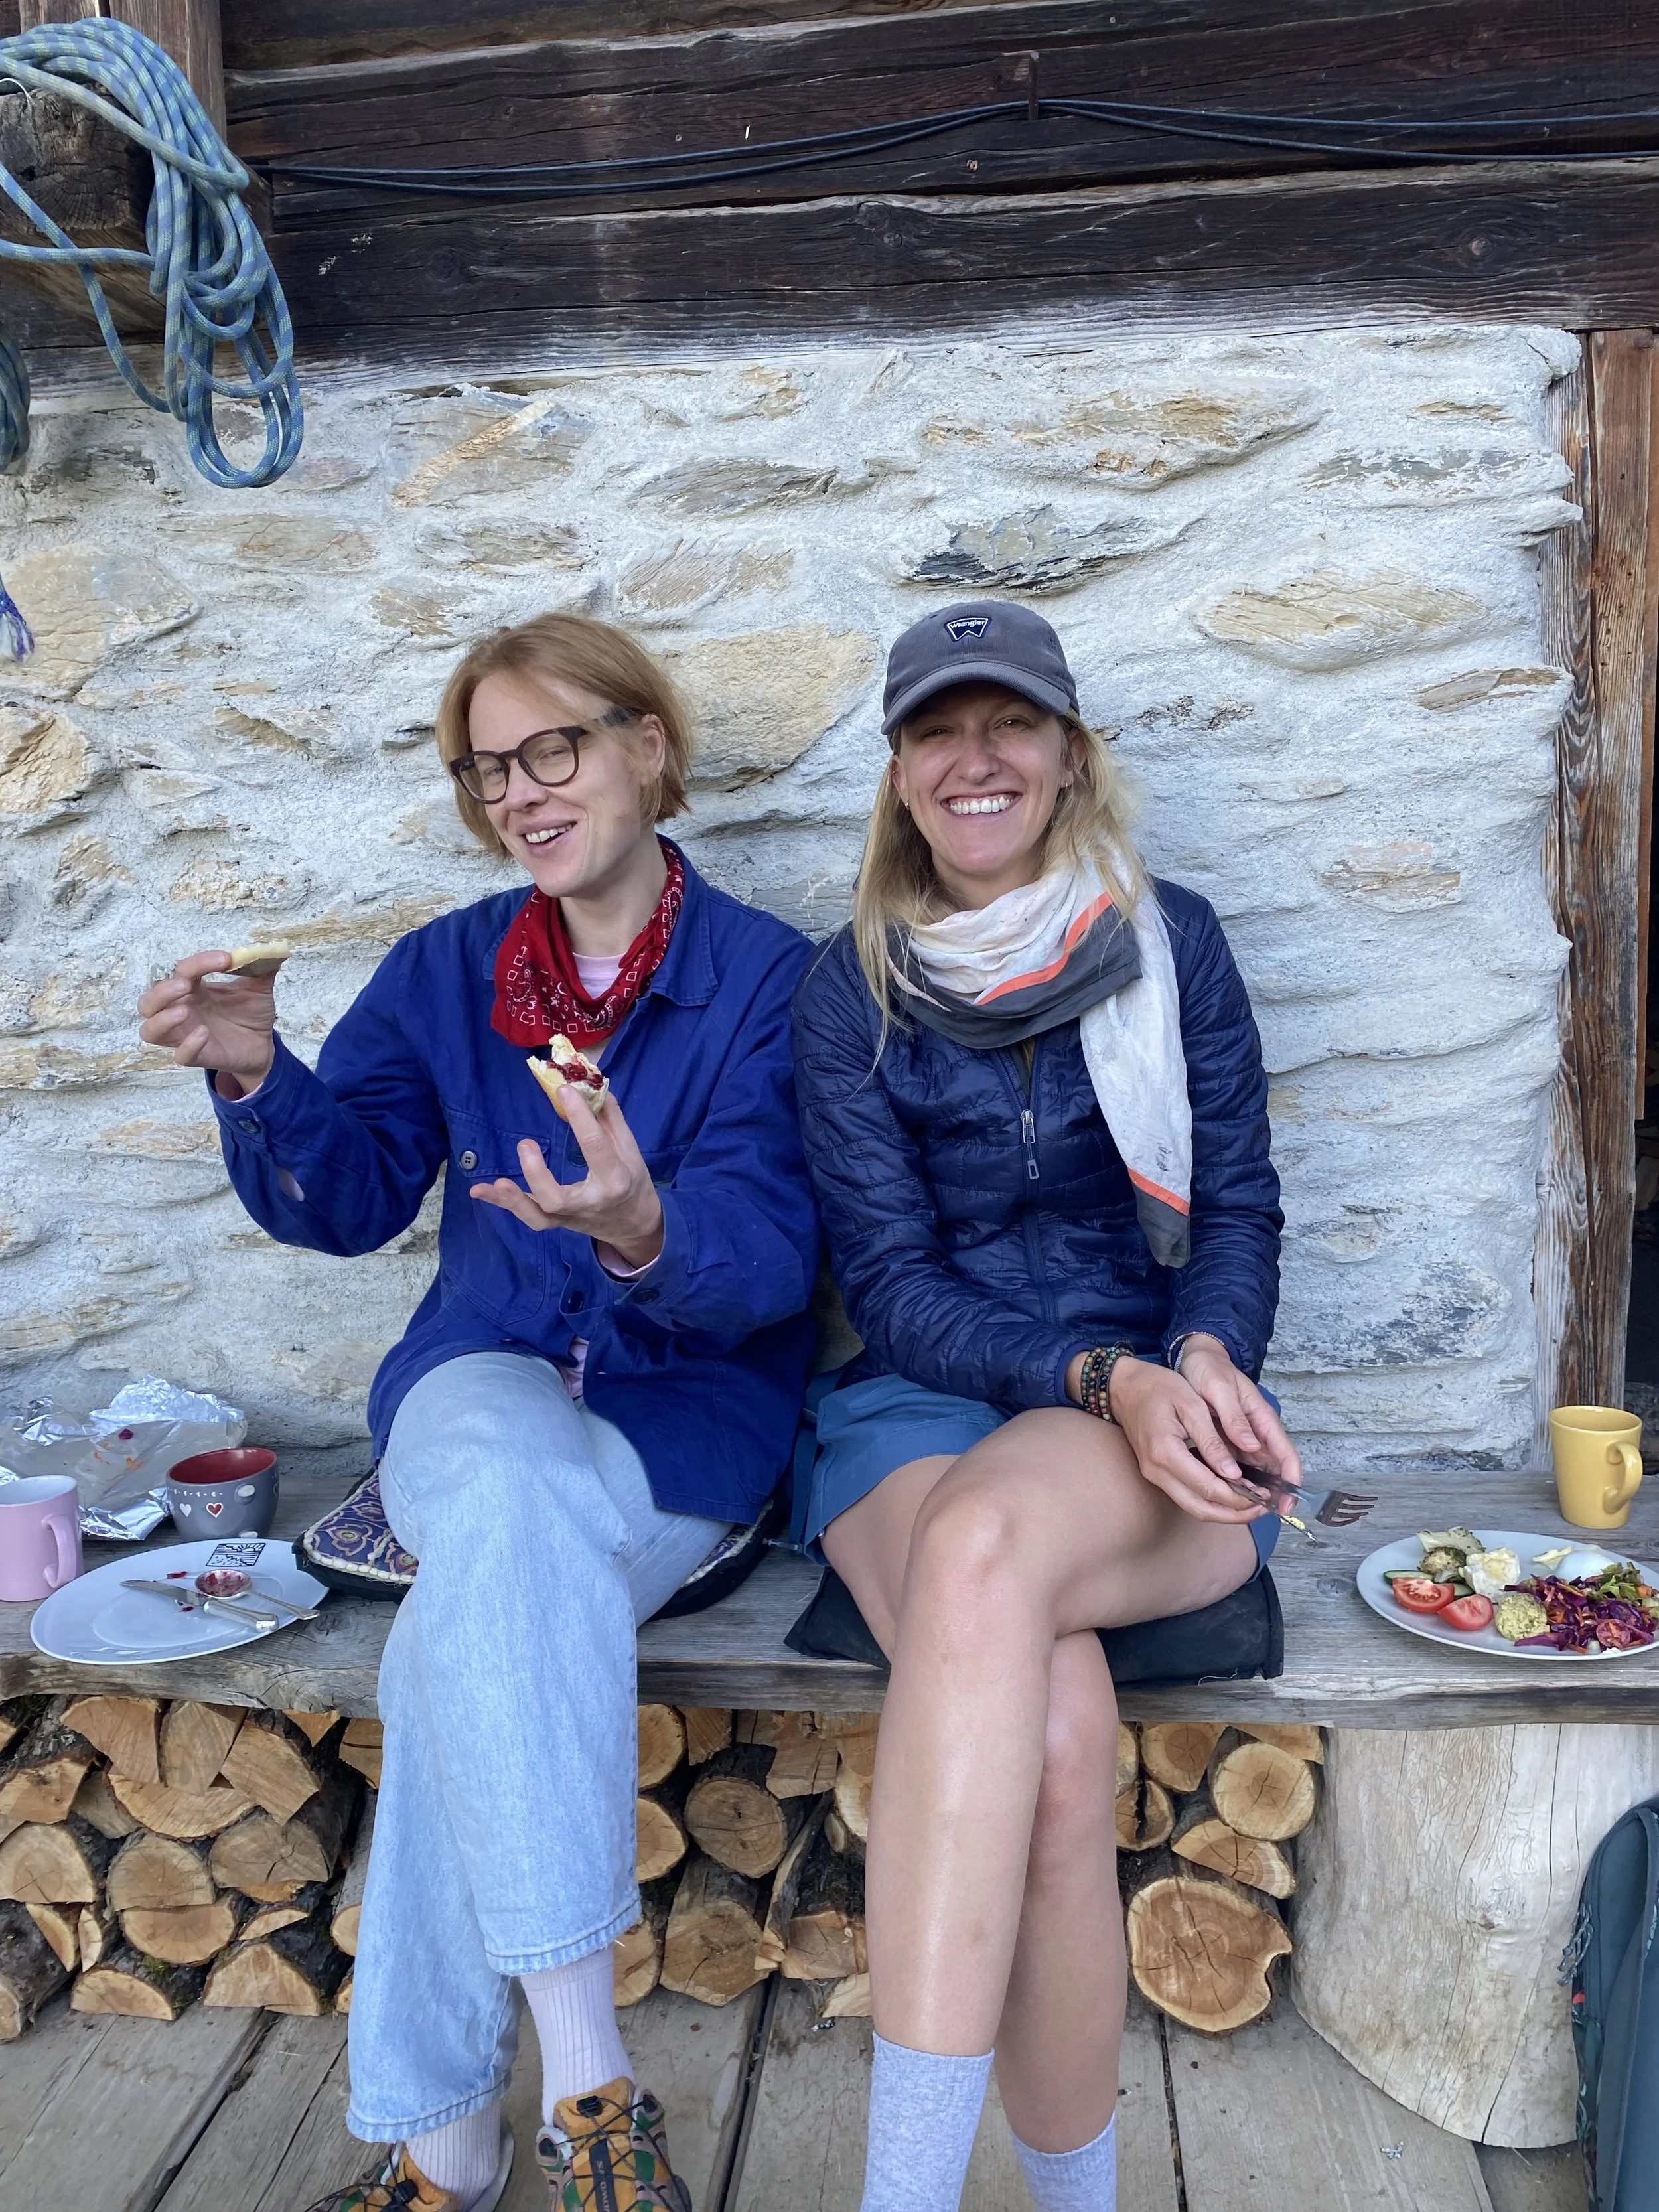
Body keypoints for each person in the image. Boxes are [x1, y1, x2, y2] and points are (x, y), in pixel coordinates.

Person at [138, 614, 818, 2212]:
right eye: (484, 768)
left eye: (551, 748)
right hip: (480, 1380)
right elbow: (352, 1194)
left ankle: (442, 2146)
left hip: (684, 1431)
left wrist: (644, 1229)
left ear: (649, 745)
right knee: (502, 1486)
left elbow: (781, 1255)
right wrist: (258, 1076)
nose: (517, 791)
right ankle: (592, 2087)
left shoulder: (771, 985)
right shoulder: (446, 970)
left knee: (466, 1613)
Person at [790, 600, 1297, 2212]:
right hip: (920, 1405)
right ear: (897, 778)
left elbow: (1234, 1211)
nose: (975, 757)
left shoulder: (1173, 944)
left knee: (996, 1550)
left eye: (1009, 723)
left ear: (1068, 753)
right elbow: (889, 1281)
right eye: (938, 730)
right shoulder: (848, 989)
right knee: (1062, 1732)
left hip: (1124, 1436)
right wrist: (1098, 1369)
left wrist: (1201, 1358)